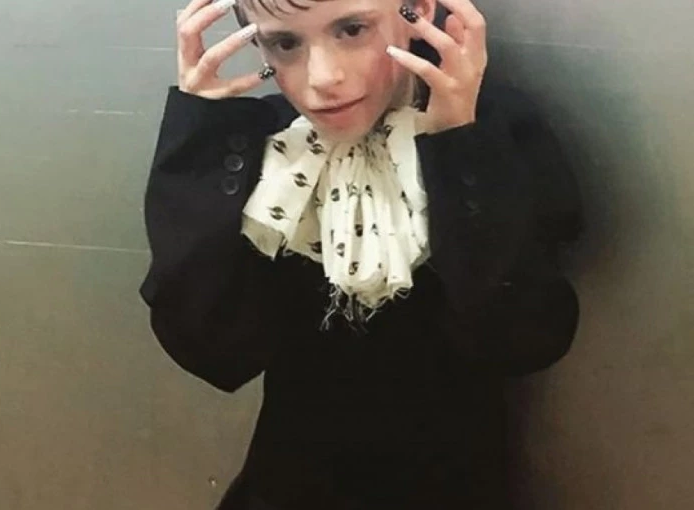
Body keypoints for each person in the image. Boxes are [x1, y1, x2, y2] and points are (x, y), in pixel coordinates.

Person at [139, 0, 584, 508]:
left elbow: (525, 341)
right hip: (289, 485)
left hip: (453, 488)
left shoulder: (492, 132)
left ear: (418, 10)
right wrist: (200, 141)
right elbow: (216, 353)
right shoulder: (269, 144)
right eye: (284, 42)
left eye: (352, 29)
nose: (322, 78)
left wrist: (458, 146)